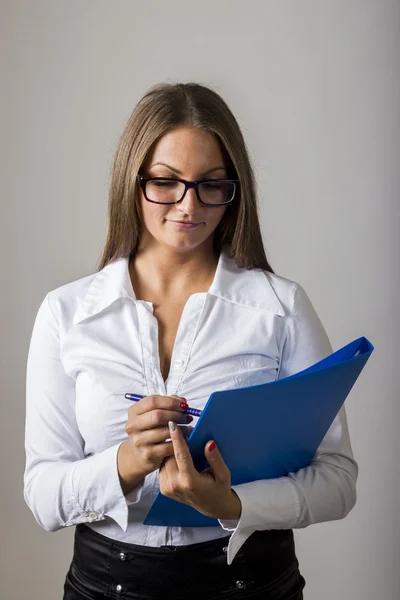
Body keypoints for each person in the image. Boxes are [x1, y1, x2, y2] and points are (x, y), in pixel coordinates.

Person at [24, 82, 358, 600]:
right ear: (131, 182)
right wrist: (125, 464)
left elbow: (337, 481)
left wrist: (234, 505)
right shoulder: (66, 314)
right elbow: (43, 496)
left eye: (211, 184)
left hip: (249, 583)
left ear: (234, 188)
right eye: (166, 181)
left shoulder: (281, 307)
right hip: (104, 585)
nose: (188, 205)